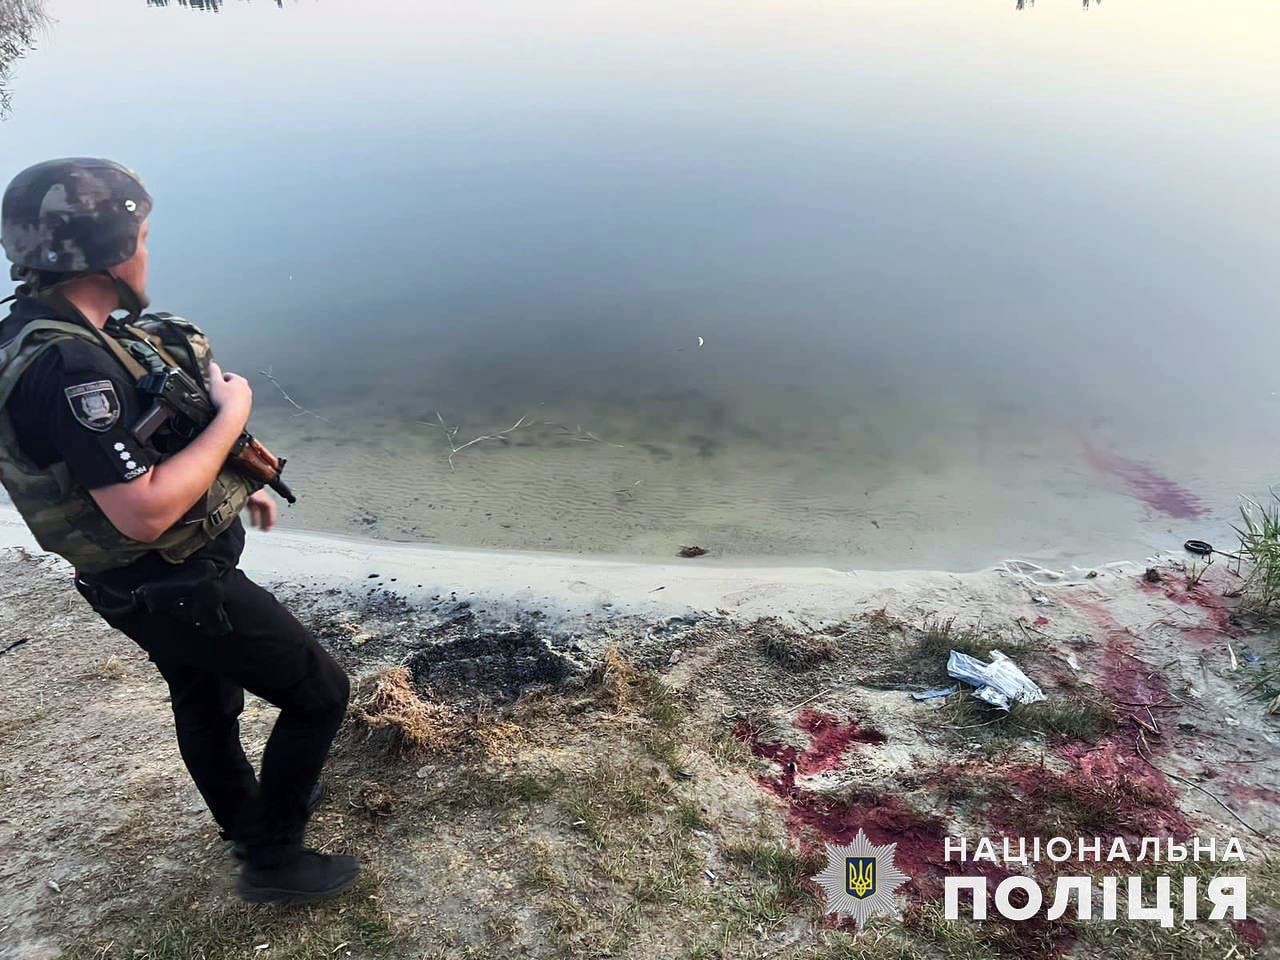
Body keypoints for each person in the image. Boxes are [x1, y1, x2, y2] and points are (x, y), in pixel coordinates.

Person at [0, 158, 359, 904]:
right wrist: (235, 411)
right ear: (109, 250)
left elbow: (151, 445)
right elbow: (146, 508)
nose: (147, 250)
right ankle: (276, 861)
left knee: (204, 696)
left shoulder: (51, 332)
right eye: (142, 235)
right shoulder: (68, 370)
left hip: (139, 581)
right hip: (171, 581)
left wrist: (242, 484)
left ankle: (247, 822)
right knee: (320, 692)